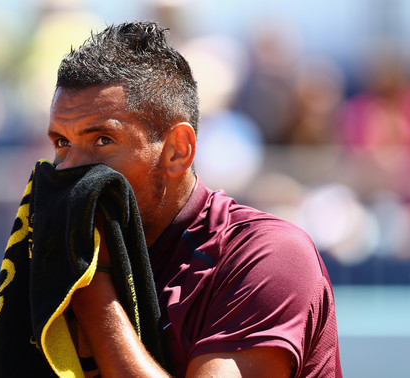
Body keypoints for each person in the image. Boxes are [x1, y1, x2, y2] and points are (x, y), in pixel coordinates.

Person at [46, 21, 341, 377]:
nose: (70, 170)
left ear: (178, 151)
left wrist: (89, 289)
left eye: (102, 141)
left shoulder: (268, 255)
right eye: (62, 143)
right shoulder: (60, 246)